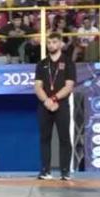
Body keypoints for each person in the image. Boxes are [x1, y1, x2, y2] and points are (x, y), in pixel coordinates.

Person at [34, 33, 76, 180]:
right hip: (45, 105)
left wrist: (54, 99)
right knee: (45, 138)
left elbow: (69, 86)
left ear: (60, 44)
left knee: (64, 138)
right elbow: (37, 87)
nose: (51, 45)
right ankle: (45, 170)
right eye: (49, 42)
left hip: (61, 105)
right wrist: (46, 101)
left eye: (54, 42)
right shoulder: (41, 64)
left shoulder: (68, 62)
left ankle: (65, 171)